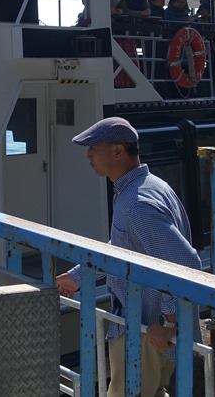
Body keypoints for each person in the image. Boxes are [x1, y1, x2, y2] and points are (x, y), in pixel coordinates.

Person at [55, 117, 200, 397]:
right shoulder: (150, 186)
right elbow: (125, 246)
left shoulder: (136, 203)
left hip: (145, 331)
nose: (88, 155)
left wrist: (169, 323)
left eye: (93, 148)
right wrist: (78, 276)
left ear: (118, 151)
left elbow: (185, 263)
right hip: (148, 330)